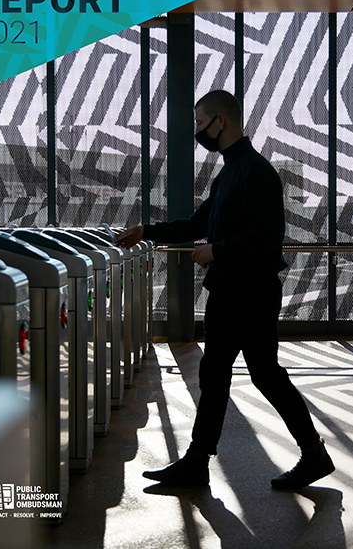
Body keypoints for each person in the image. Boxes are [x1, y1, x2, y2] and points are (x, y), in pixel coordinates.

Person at [114, 89, 334, 490]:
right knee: (224, 374)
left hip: (248, 294)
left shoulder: (257, 172)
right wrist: (148, 231)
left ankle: (305, 453)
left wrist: (216, 250)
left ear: (221, 121)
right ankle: (202, 461)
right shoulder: (231, 172)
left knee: (254, 373)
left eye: (200, 123)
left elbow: (266, 239)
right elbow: (198, 222)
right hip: (235, 292)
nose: (198, 131)